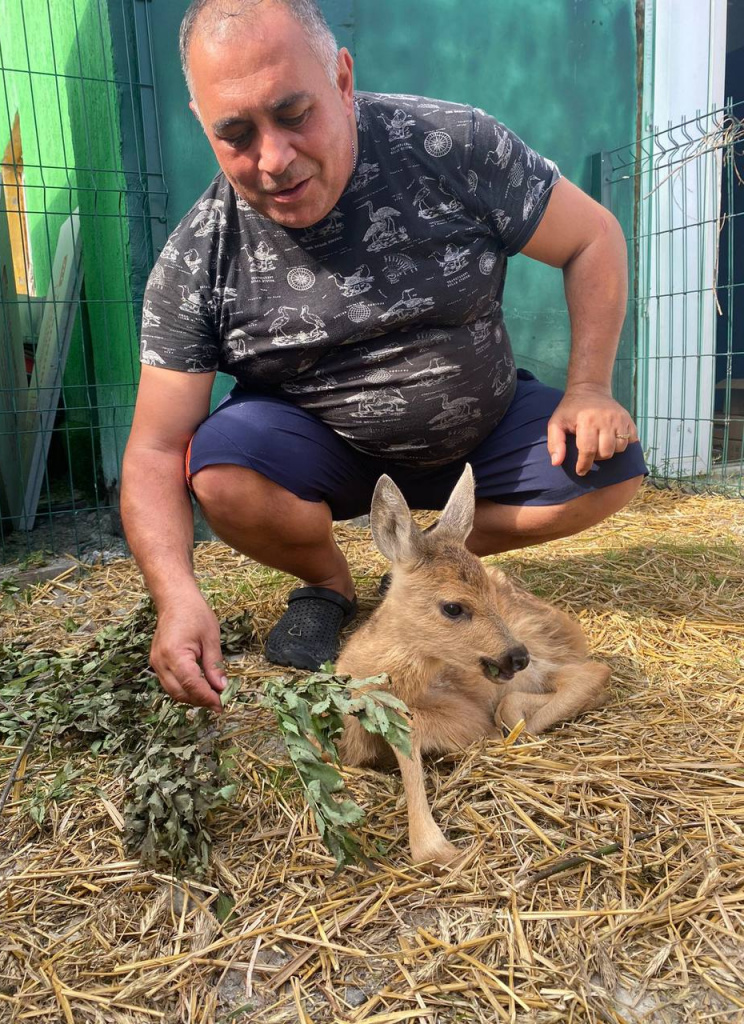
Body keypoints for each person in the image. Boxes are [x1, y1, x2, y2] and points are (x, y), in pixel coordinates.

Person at [121, 0, 647, 713]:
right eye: (236, 133)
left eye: (294, 113)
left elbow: (594, 238)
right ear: (201, 122)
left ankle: (429, 577)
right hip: (325, 452)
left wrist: (589, 386)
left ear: (341, 78)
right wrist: (176, 599)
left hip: (479, 427)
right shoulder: (199, 255)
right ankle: (331, 582)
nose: (273, 159)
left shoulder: (449, 145)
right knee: (220, 472)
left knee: (609, 468)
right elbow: (155, 450)